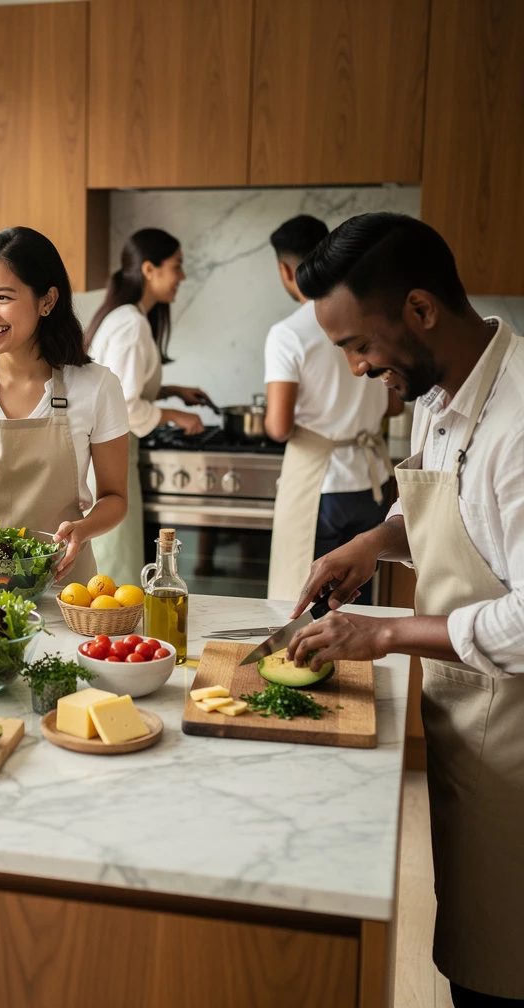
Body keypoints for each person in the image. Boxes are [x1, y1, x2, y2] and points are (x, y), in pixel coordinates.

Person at [285, 213, 524, 1007]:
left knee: (503, 971)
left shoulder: (521, 424)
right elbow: (443, 509)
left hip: (517, 735)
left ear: (420, 310)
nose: (355, 368)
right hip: (471, 725)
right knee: (475, 952)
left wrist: (384, 632)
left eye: (360, 345)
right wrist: (377, 541)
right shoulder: (434, 388)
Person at [0, 226, 130, 584]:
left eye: (3, 298)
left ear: (47, 301)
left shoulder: (96, 386)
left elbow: (115, 497)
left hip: (60, 586)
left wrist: (83, 528)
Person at [264, 214, 402, 603]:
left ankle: (303, 663)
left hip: (320, 485)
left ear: (285, 270)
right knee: (355, 597)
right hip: (370, 481)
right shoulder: (367, 319)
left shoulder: (288, 333)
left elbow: (278, 426)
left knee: (308, 598)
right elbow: (393, 405)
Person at [84, 228, 213, 587]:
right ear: (148, 269)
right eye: (177, 266)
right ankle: (111, 635)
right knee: (114, 564)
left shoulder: (126, 317)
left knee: (113, 558)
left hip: (109, 451)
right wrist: (174, 415)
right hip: (113, 453)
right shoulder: (131, 324)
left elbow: (118, 388)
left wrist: (170, 390)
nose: (182, 276)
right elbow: (124, 402)